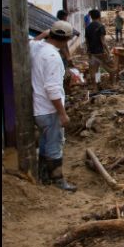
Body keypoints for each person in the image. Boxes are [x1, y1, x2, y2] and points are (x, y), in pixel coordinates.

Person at [30, 20, 77, 191]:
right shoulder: (53, 58)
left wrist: (44, 34)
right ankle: (57, 180)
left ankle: (43, 176)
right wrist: (62, 113)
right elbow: (53, 89)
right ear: (66, 39)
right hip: (49, 109)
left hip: (38, 108)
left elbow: (32, 41)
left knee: (44, 142)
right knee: (54, 145)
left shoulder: (37, 48)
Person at [85, 9, 114, 92]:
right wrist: (108, 52)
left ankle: (95, 86)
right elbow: (103, 41)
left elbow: (87, 41)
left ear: (91, 16)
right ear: (99, 16)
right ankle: (112, 84)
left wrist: (89, 51)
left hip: (92, 53)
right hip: (101, 52)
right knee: (112, 68)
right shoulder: (100, 26)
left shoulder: (88, 27)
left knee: (94, 70)